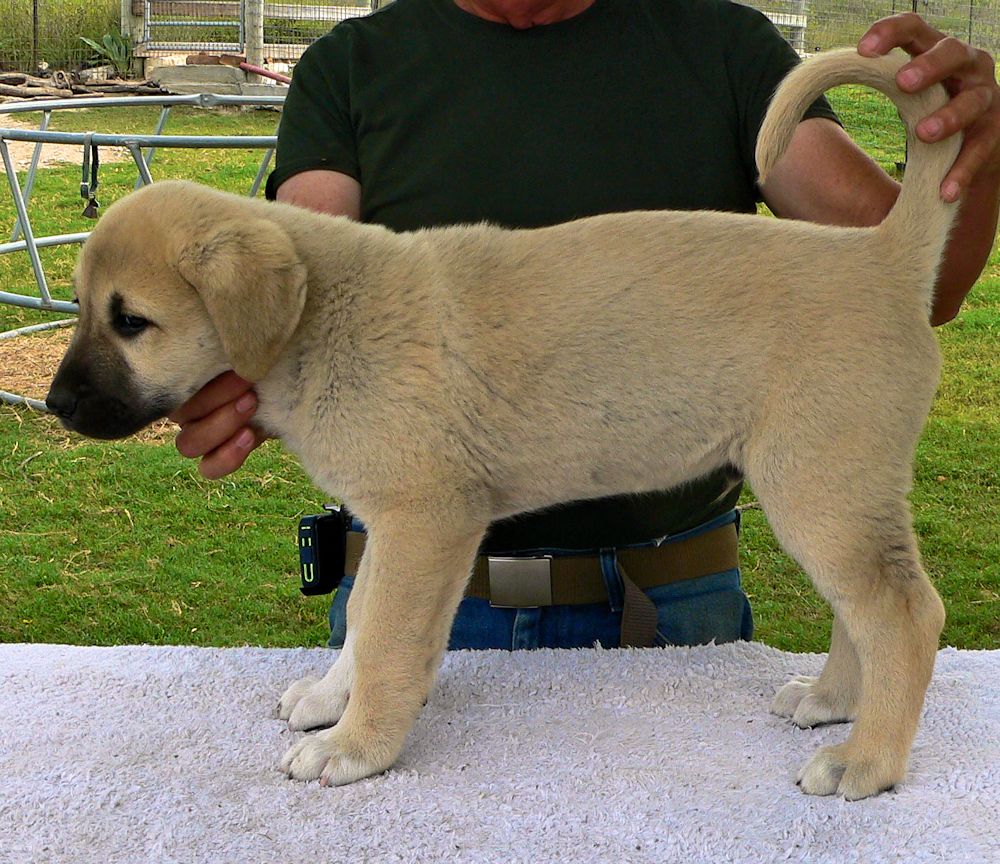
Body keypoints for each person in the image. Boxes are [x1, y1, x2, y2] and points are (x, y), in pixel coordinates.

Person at [169, 0, 1000, 650]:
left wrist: (973, 146)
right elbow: (298, 302)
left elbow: (917, 288)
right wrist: (208, 365)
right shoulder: (353, 65)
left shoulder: (720, 48)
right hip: (412, 592)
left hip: (665, 596)